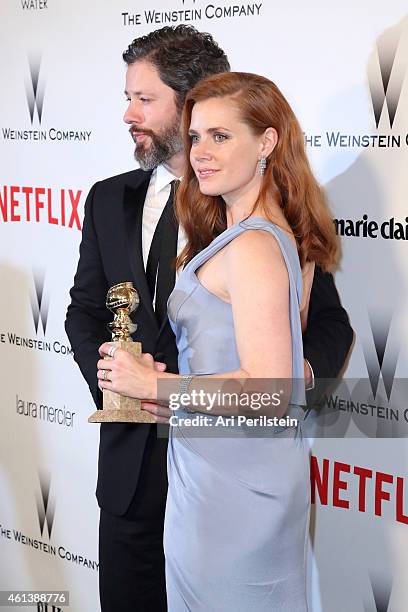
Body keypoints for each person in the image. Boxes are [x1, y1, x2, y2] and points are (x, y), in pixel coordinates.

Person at [65, 26, 353, 612]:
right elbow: (84, 311)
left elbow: (326, 328)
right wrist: (121, 382)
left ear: (192, 93)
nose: (129, 114)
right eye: (128, 98)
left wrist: (293, 378)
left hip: (229, 464)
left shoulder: (257, 215)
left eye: (144, 99)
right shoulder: (106, 198)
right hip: (133, 469)